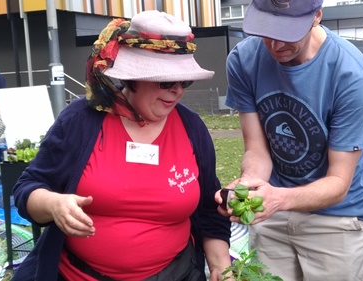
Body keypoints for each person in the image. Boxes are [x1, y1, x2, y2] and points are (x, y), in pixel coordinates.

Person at [12, 10, 231, 281]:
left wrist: (221, 267)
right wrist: (53, 203)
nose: (177, 90)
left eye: (184, 81)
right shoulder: (82, 119)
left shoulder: (192, 127)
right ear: (133, 78)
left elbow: (210, 209)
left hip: (175, 273)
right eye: (165, 81)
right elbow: (27, 189)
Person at [216, 0, 363, 280]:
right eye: (266, 30)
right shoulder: (243, 60)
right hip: (272, 212)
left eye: (287, 33)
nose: (274, 45)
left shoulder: (349, 74)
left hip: (337, 217)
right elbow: (257, 149)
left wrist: (279, 199)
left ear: (317, 16)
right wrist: (249, 184)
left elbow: (339, 183)